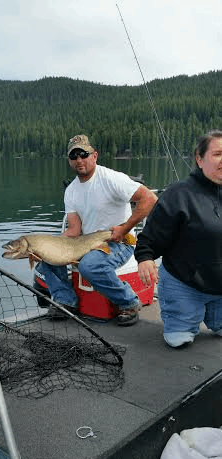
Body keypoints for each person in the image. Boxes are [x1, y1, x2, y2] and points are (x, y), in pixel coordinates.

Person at [41, 134, 157, 326]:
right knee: (48, 257)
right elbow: (74, 230)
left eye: (83, 154)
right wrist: (48, 246)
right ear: (69, 161)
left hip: (120, 241)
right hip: (87, 243)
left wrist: (124, 228)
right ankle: (65, 301)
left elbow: (150, 199)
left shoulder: (112, 179)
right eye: (74, 156)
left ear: (94, 156)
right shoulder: (71, 191)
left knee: (89, 265)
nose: (79, 160)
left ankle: (129, 302)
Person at [135, 129, 222, 347]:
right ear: (199, 159)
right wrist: (145, 257)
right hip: (185, 283)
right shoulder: (179, 194)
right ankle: (183, 317)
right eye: (218, 154)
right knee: (179, 341)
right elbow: (150, 237)